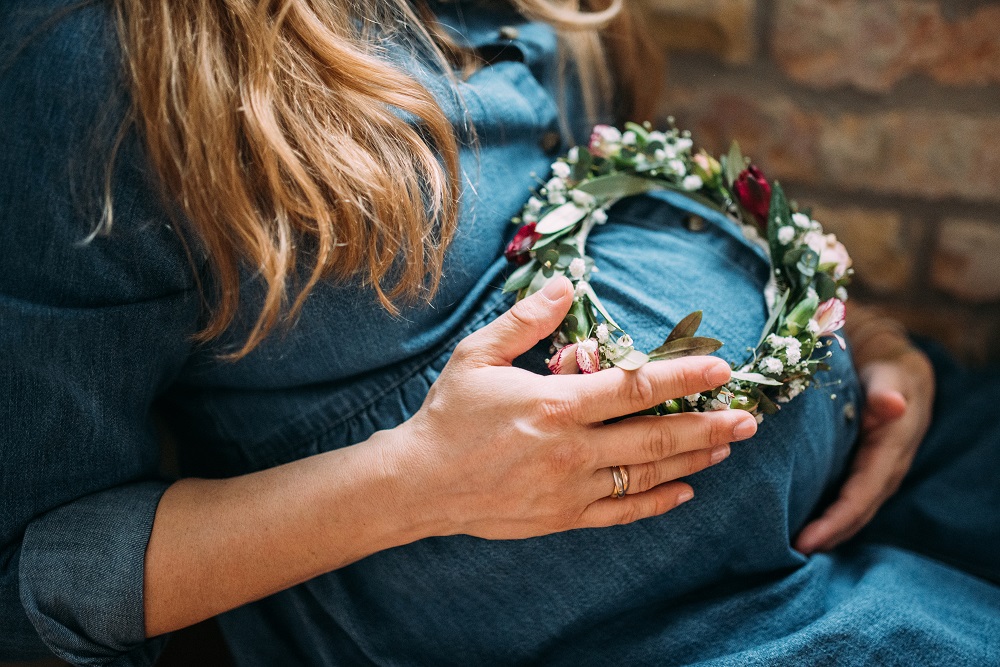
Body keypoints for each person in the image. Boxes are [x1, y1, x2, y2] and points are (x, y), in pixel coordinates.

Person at [1, 0, 997, 665]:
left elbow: (613, 185)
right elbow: (29, 578)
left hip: (861, 463)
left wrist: (853, 334)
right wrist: (415, 480)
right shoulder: (83, 62)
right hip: (644, 622)